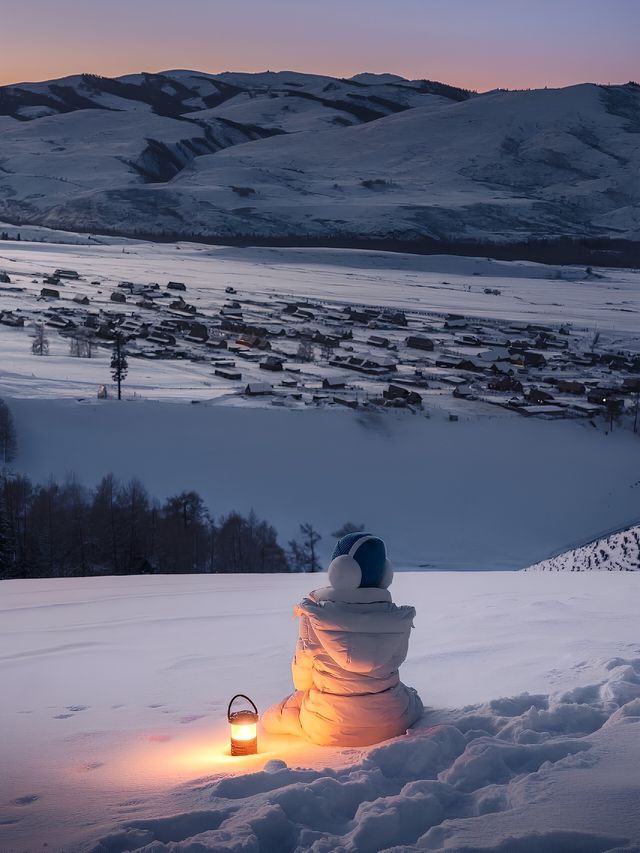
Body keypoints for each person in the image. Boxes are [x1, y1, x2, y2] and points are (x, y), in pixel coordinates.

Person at [263, 533, 423, 746]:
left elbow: (301, 681)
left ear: (340, 570)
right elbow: (394, 664)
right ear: (385, 574)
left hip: (328, 727)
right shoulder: (399, 618)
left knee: (272, 718)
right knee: (409, 695)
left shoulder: (316, 616)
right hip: (394, 721)